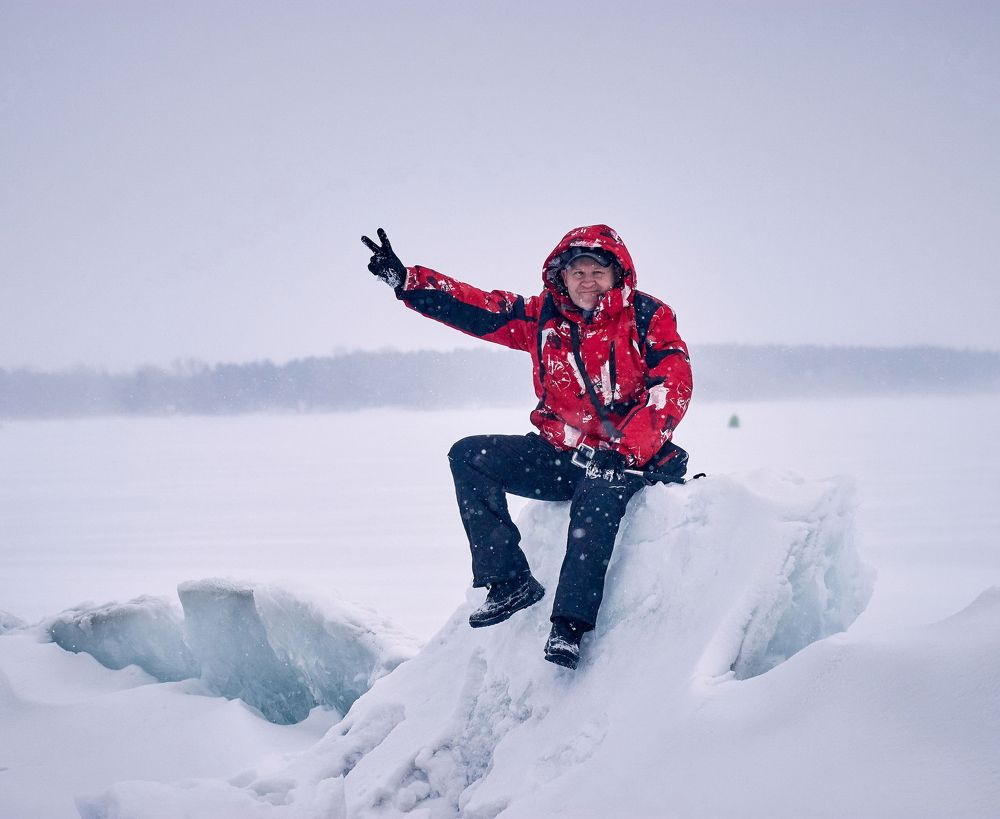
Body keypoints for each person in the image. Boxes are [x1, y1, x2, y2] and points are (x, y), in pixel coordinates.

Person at [361, 224, 693, 669]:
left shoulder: (648, 316)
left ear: (618, 275)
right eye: (578, 272)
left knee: (594, 502)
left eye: (598, 272)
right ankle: (508, 582)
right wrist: (407, 282)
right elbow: (479, 309)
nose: (588, 281)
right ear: (562, 277)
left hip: (626, 462)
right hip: (560, 454)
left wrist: (625, 450)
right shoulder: (543, 318)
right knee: (469, 455)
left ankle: (569, 628)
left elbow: (671, 388)